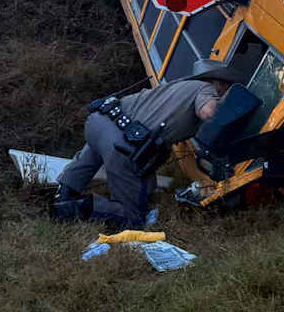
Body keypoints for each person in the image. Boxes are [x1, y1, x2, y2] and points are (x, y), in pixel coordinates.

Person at [53, 58, 250, 225]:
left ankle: (62, 195)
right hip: (122, 145)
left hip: (99, 122)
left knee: (96, 152)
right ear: (217, 81)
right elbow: (208, 111)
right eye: (227, 86)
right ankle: (79, 209)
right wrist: (228, 108)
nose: (226, 91)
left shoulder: (175, 87)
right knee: (134, 216)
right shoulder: (205, 89)